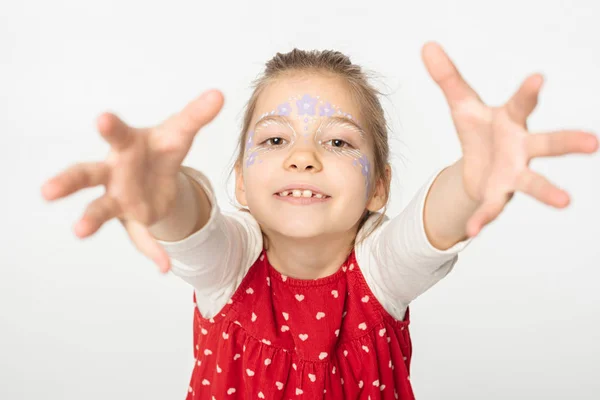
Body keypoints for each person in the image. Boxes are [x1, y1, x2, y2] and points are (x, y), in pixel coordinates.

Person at [41, 42, 598, 399]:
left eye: (336, 141)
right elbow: (193, 225)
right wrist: (163, 195)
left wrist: (474, 180)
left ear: (377, 187)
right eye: (276, 138)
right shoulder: (230, 269)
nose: (302, 157)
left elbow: (433, 221)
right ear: (240, 180)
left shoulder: (381, 273)